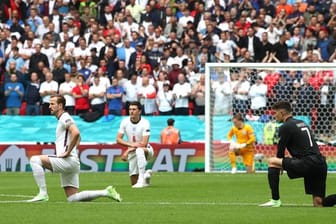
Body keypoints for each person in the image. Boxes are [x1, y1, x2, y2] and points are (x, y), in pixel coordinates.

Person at [27, 94, 121, 202]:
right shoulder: (63, 118)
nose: (49, 106)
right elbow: (79, 138)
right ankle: (105, 192)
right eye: (49, 104)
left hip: (67, 160)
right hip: (71, 161)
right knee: (73, 198)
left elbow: (76, 133)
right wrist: (72, 149)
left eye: (52, 104)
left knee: (35, 160)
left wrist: (68, 151)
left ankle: (43, 194)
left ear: (60, 105)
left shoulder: (65, 117)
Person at [259, 101, 330, 207]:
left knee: (272, 162)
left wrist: (279, 165)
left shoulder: (285, 126)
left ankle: (275, 200)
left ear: (282, 113)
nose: (274, 116)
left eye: (275, 113)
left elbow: (280, 149)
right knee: (319, 202)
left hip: (308, 163)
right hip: (320, 163)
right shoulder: (301, 122)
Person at [116, 101, 153, 188]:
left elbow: (144, 143)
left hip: (146, 150)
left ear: (139, 111)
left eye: (134, 109)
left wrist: (128, 150)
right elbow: (118, 139)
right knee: (133, 183)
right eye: (130, 109)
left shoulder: (145, 123)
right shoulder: (124, 122)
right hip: (132, 152)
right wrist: (130, 146)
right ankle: (146, 176)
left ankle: (141, 180)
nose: (131, 111)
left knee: (139, 150)